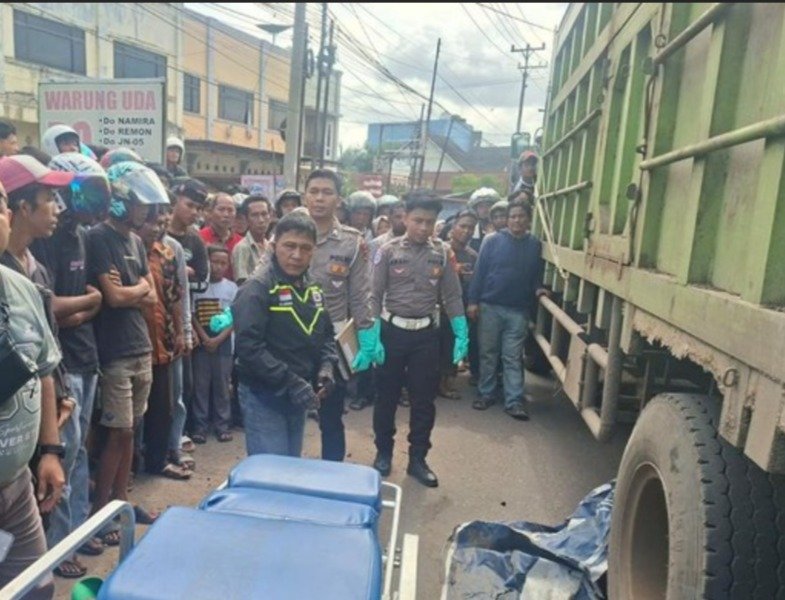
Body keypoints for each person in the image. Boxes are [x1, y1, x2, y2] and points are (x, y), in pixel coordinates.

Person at [29, 153, 111, 573]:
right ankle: (61, 546)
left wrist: (85, 308)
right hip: (63, 364)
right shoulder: (47, 240)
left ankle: (79, 532)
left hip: (86, 355)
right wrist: (90, 302)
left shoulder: (82, 235)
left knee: (79, 455)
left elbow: (77, 305)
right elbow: (52, 309)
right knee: (63, 455)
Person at [85, 161, 169, 542]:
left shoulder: (136, 241)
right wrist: (132, 291)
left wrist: (131, 291)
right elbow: (115, 297)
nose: (147, 213)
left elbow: (148, 295)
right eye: (141, 205)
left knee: (131, 430)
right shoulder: (99, 238)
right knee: (116, 433)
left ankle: (121, 501)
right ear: (121, 201)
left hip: (140, 347)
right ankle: (100, 512)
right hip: (115, 352)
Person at [370, 190, 468, 487]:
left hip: (426, 336)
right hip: (392, 333)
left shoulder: (443, 252)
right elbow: (373, 294)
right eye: (417, 220)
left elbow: (451, 295)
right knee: (386, 398)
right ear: (405, 218)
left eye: (430, 221)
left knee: (424, 401)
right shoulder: (386, 251)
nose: (424, 228)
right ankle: (383, 453)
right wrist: (370, 333)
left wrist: (461, 329)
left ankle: (418, 459)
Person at [0, 172, 65, 599]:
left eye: (0, 204)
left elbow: (42, 371)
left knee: (36, 589)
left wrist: (50, 452)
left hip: (16, 486)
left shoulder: (22, 289)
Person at [233, 212, 338, 457]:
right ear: (274, 245)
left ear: (313, 251)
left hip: (298, 395)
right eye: (289, 246)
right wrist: (289, 381)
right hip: (264, 395)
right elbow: (249, 348)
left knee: (291, 467)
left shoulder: (313, 287)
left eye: (305, 248)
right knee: (270, 473)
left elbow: (327, 334)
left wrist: (326, 366)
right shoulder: (257, 288)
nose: (297, 255)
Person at [302, 169, 376, 462]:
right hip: (290, 334)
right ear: (305, 195)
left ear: (339, 200)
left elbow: (359, 296)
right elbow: (262, 279)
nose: (319, 198)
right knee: (288, 412)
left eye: (327, 192)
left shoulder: (352, 242)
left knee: (330, 415)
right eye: (314, 191)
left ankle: (331, 474)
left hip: (330, 340)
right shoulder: (288, 231)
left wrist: (367, 337)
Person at [467, 200, 546, 420]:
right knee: (488, 354)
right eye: (512, 217)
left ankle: (514, 401)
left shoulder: (534, 245)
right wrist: (473, 302)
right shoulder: (492, 241)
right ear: (506, 220)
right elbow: (479, 272)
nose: (516, 220)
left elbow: (535, 276)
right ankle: (486, 394)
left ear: (528, 220)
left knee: (512, 357)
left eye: (521, 216)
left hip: (518, 310)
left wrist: (539, 289)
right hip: (490, 306)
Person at [138, 205, 190, 479]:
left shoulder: (167, 253)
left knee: (163, 408)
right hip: (135, 343)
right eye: (152, 223)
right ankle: (133, 466)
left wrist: (181, 332)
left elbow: (175, 296)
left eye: (161, 222)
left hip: (164, 340)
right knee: (133, 414)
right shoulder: (130, 252)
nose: (158, 228)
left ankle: (157, 462)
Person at [166, 178, 209, 446]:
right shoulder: (156, 233)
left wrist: (182, 277)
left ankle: (179, 435)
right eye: (189, 205)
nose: (194, 212)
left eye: (198, 208)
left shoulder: (195, 240)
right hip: (162, 319)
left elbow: (203, 282)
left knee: (184, 384)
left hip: (186, 317)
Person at [191, 246, 237, 444]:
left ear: (228, 265)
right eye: (214, 262)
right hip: (202, 342)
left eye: (222, 263)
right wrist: (203, 337)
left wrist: (218, 339)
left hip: (223, 343)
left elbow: (235, 318)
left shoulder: (232, 288)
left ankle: (222, 425)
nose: (218, 267)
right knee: (200, 385)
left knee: (222, 385)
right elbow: (192, 313)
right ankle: (200, 426)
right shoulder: (198, 286)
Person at [437, 210, 479, 400]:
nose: (466, 231)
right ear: (453, 228)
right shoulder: (440, 250)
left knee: (453, 346)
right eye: (463, 226)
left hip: (459, 310)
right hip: (437, 308)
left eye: (471, 227)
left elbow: (477, 284)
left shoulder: (473, 256)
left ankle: (447, 383)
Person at [199, 192, 243, 281]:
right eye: (221, 209)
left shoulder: (241, 243)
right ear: (211, 212)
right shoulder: (199, 238)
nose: (226, 214)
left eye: (230, 210)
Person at [232, 194, 272, 285]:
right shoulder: (242, 247)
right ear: (246, 219)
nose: (261, 220)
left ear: (270, 216)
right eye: (255, 215)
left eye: (264, 214)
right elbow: (242, 282)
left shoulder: (270, 246)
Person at [467, 187, 500, 253]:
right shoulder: (470, 231)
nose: (485, 210)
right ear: (476, 210)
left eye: (488, 206)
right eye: (481, 207)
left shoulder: (502, 229)